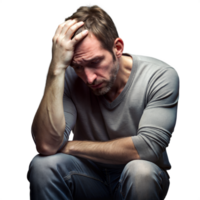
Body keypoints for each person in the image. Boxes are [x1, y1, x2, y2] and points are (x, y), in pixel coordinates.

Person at [25, 3, 181, 200]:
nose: (89, 78)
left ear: (118, 47)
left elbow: (148, 148)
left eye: (95, 62)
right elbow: (46, 146)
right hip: (89, 176)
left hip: (139, 176)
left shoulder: (160, 76)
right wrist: (55, 69)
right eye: (78, 66)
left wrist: (70, 146)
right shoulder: (67, 74)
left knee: (140, 171)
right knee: (42, 165)